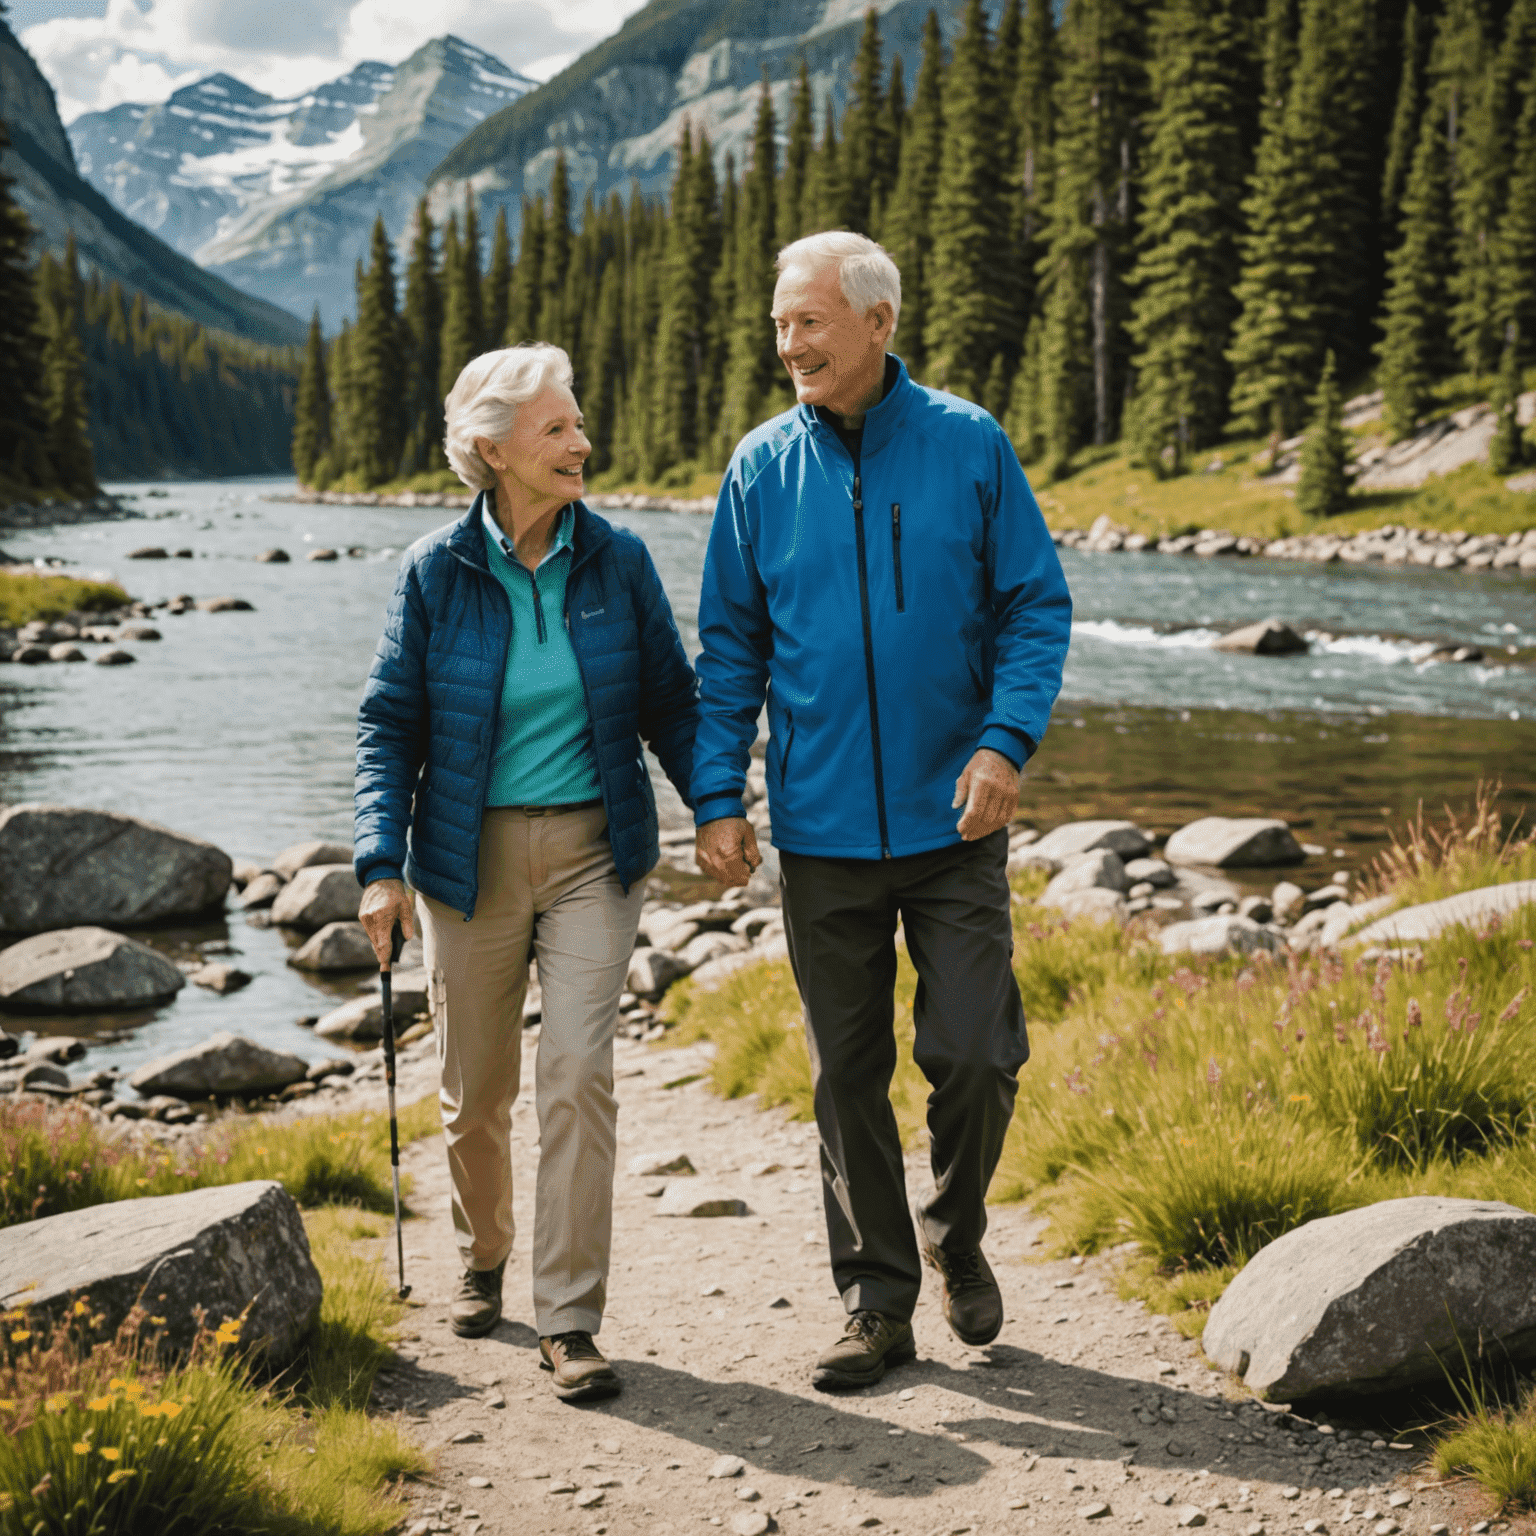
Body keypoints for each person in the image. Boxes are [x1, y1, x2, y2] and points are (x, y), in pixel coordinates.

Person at [691, 232, 1072, 1391]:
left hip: (957, 824)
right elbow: (729, 650)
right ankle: (876, 1298)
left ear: (878, 322)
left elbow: (1034, 608)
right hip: (818, 833)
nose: (788, 344)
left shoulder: (967, 445)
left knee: (973, 1050)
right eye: (778, 325)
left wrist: (1005, 744)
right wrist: (719, 794)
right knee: (844, 1070)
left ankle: (957, 1234)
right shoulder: (760, 468)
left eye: (808, 322)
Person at [354, 342, 699, 1404]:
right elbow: (387, 726)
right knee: (473, 1099)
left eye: (579, 423)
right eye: (558, 429)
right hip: (468, 859)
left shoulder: (621, 561)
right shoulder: (434, 572)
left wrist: (719, 807)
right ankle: (485, 1250)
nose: (582, 444)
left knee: (579, 1074)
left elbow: (671, 705)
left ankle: (569, 1317)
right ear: (494, 450)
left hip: (598, 853)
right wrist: (379, 867)